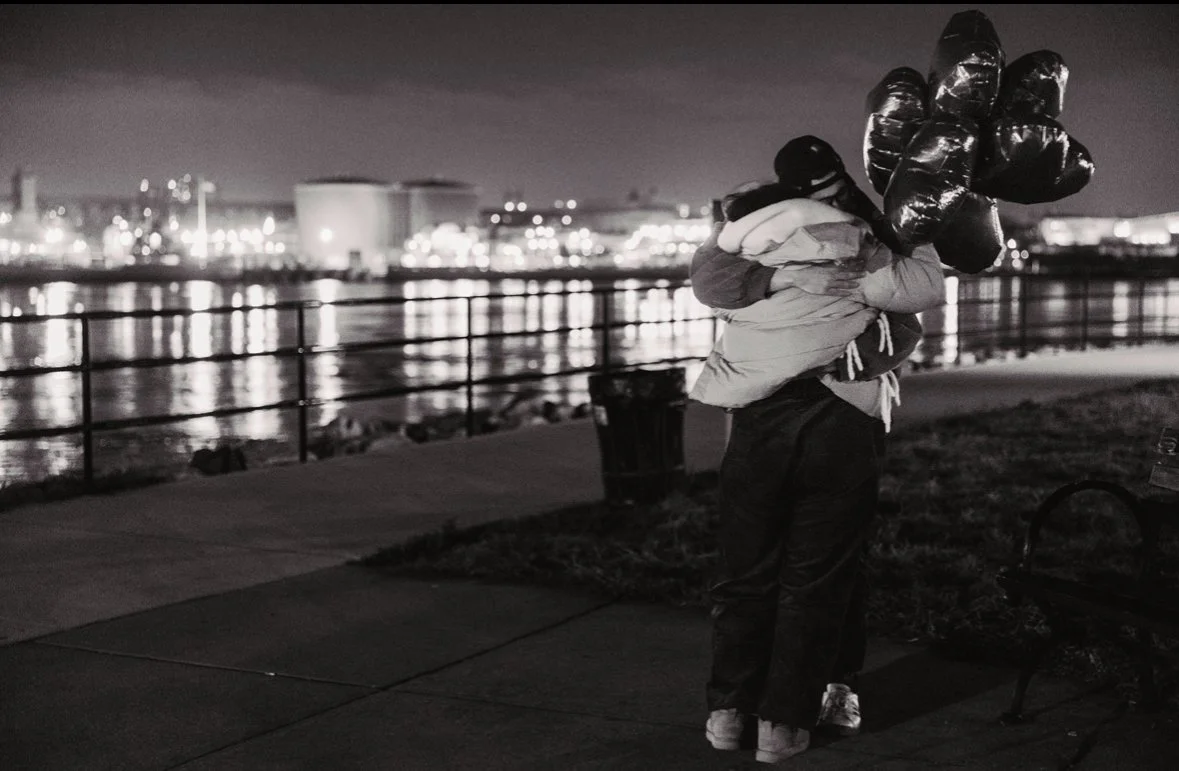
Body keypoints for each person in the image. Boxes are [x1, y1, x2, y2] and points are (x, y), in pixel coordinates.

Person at [693, 135, 946, 764]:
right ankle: (785, 724)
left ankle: (729, 712)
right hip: (841, 414)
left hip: (758, 413)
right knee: (818, 573)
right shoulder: (861, 238)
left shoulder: (754, 232)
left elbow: (712, 283)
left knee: (746, 570)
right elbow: (916, 294)